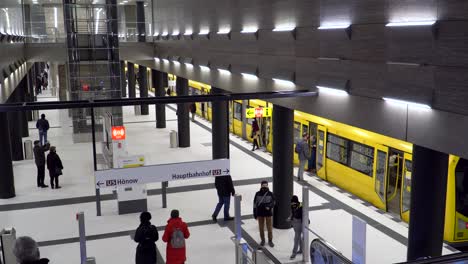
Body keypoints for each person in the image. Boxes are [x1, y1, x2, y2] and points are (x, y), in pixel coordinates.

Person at [253, 181, 276, 247]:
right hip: (260, 213)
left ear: (267, 185)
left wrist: (269, 206)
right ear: (261, 185)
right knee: (261, 228)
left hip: (268, 213)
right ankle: (263, 240)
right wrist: (255, 213)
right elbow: (254, 204)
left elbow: (274, 202)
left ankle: (270, 240)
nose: (264, 186)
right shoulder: (257, 194)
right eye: (263, 185)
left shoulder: (270, 194)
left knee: (269, 228)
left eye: (266, 185)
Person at [289, 195, 304, 260]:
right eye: (292, 203)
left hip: (300, 222)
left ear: (296, 202)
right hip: (295, 222)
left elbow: (305, 215)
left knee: (296, 239)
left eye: (293, 203)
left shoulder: (301, 206)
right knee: (298, 237)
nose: (292, 204)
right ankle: (301, 250)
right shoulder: (292, 206)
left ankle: (294, 253)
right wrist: (291, 219)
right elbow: (292, 213)